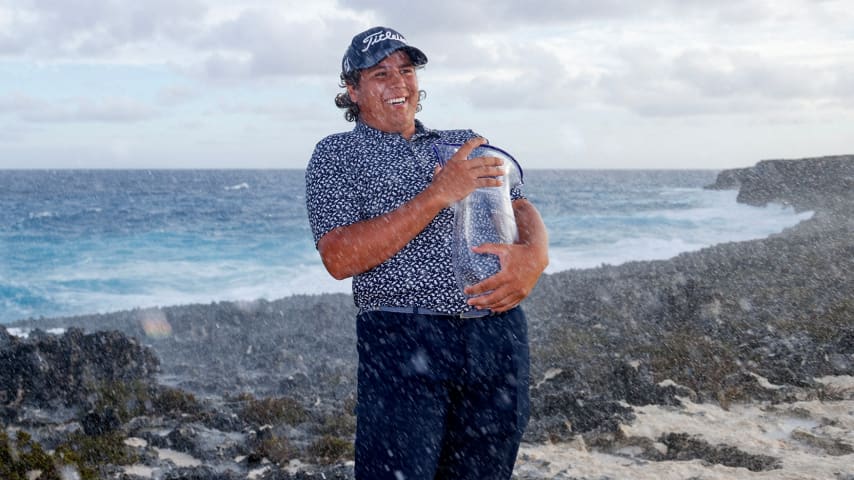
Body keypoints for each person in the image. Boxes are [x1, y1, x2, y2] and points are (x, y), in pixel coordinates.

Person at [305, 26, 549, 480]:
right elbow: (338, 257)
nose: (399, 82)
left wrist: (534, 257)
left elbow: (520, 204)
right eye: (380, 73)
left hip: (497, 335)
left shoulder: (466, 141)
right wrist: (438, 194)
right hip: (402, 338)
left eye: (406, 69)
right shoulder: (336, 155)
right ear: (352, 90)